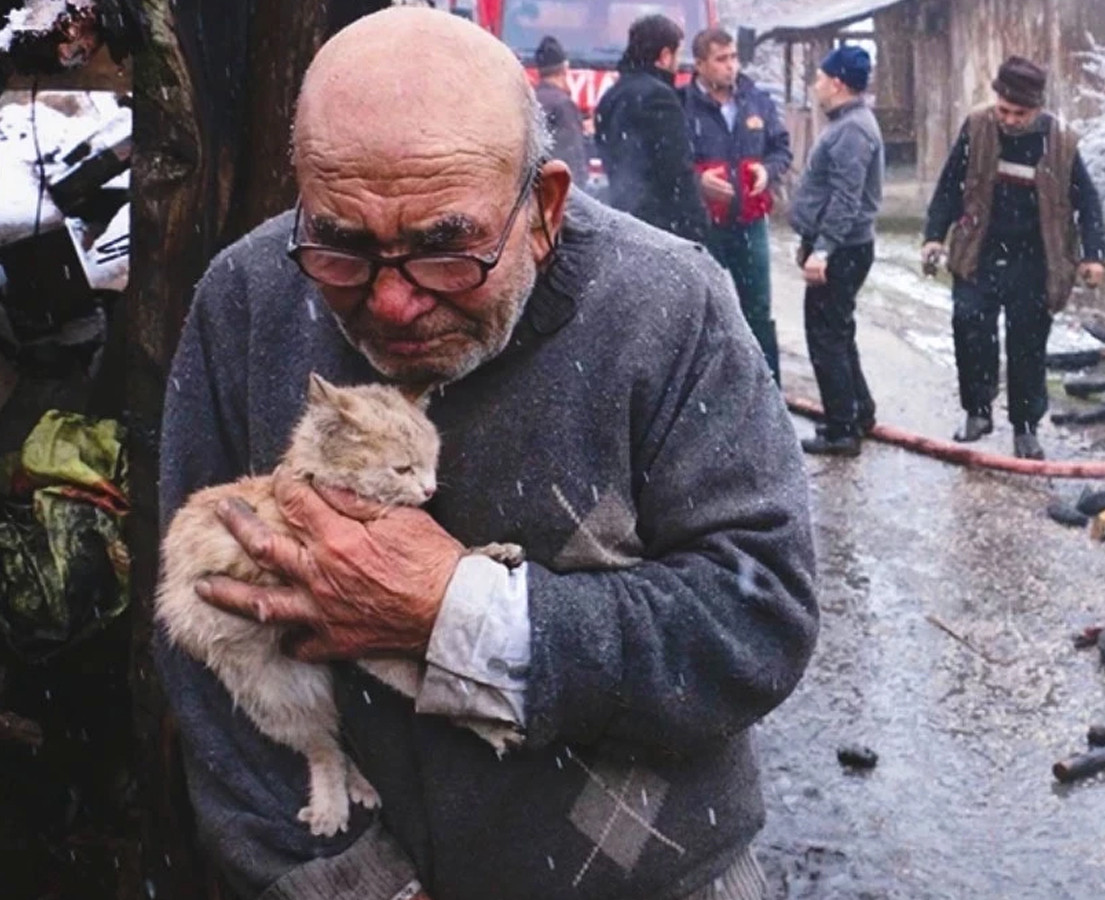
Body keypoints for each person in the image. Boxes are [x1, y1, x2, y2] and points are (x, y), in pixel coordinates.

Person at [154, 8, 817, 900]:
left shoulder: (669, 305)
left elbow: (757, 620)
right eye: (344, 245)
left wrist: (458, 615)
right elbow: (197, 655)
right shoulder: (247, 299)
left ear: (543, 209)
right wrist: (345, 887)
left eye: (446, 249)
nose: (392, 303)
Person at [921, 56, 1105, 460]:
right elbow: (950, 184)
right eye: (1003, 110)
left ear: (1037, 108)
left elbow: (1088, 203)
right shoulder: (977, 127)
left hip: (1036, 260)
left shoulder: (1061, 143)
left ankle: (1025, 427)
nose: (1009, 120)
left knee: (1027, 346)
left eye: (1019, 114)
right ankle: (977, 411)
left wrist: (1094, 255)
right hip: (980, 252)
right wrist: (934, 235)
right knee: (969, 325)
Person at [786, 45, 883, 457]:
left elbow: (846, 197)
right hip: (841, 245)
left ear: (838, 83)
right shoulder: (848, 123)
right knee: (838, 331)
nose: (816, 85)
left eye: (821, 78)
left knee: (825, 336)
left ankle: (842, 429)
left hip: (843, 248)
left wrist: (823, 249)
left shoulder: (852, 130)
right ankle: (858, 411)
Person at [682, 27, 791, 386]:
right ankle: (709, 391)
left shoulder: (756, 100)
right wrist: (698, 182)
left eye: (733, 58)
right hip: (705, 227)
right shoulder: (683, 106)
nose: (731, 66)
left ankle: (768, 389)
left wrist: (768, 169)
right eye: (721, 59)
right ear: (700, 64)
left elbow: (781, 149)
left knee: (758, 310)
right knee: (702, 310)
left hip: (750, 223)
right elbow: (671, 165)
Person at [593, 14, 709, 241]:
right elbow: (676, 169)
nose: (678, 64)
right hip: (660, 226)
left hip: (622, 218)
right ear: (664, 56)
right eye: (677, 54)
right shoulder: (660, 98)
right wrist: (697, 223)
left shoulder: (611, 96)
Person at [531, 35, 590, 192]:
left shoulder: (530, 99)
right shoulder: (563, 105)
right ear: (564, 69)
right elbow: (573, 156)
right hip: (559, 190)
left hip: (535, 187)